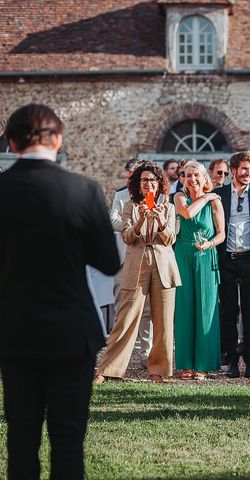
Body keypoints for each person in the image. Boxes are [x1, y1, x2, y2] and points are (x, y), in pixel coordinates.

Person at [0, 104, 120, 479]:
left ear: (13, 141)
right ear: (58, 140)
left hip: (13, 328)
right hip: (71, 328)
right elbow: (108, 261)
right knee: (68, 438)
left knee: (21, 436)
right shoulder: (82, 190)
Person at [94, 162, 181, 384]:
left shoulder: (168, 208)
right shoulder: (129, 206)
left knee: (163, 321)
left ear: (159, 184)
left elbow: (170, 238)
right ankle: (109, 368)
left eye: (152, 180)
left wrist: (160, 220)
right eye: (144, 180)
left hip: (163, 267)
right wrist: (141, 219)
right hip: (136, 265)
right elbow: (127, 237)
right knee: (125, 318)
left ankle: (158, 370)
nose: (148, 184)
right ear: (137, 184)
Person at [215, 151, 250, 378]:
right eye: (244, 169)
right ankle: (231, 359)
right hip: (227, 259)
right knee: (228, 312)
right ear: (234, 170)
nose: (248, 173)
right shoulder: (218, 195)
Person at [174, 160, 226, 380]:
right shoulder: (179, 197)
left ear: (205, 177)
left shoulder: (216, 204)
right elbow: (187, 214)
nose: (192, 179)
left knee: (206, 309)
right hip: (183, 254)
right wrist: (206, 196)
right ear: (183, 178)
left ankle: (203, 365)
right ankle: (185, 364)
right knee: (184, 308)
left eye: (196, 175)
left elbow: (222, 234)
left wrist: (210, 244)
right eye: (188, 175)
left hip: (206, 255)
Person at [111, 158, 153, 356]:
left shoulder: (154, 196)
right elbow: (113, 219)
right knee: (122, 306)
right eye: (132, 177)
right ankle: (120, 353)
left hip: (147, 257)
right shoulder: (120, 195)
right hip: (125, 256)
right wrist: (131, 226)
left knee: (147, 310)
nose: (136, 181)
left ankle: (146, 351)